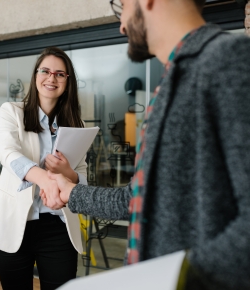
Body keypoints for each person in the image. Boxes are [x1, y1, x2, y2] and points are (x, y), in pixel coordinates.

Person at [40, 0, 250, 289]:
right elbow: (137, 198)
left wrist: (168, 279)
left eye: (121, 6)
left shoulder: (232, 62)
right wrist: (73, 192)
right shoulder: (169, 86)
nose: (122, 24)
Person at [0, 47, 88, 290]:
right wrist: (45, 179)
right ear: (36, 75)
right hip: (14, 223)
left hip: (58, 226)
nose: (52, 78)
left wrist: (67, 172)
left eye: (60, 74)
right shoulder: (12, 112)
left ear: (67, 82)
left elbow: (82, 178)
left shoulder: (76, 124)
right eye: (46, 71)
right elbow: (7, 152)